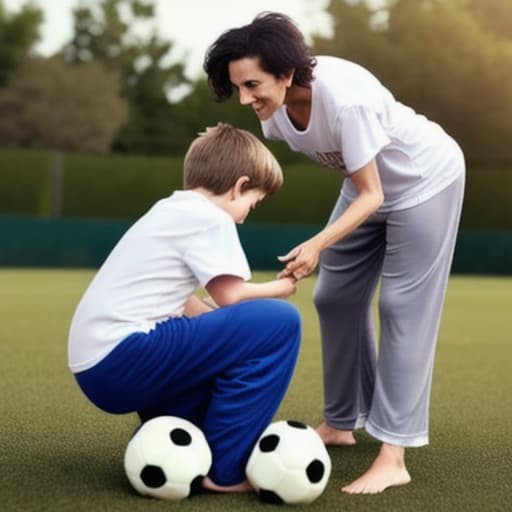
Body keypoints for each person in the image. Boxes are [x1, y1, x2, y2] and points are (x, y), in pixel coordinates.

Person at [204, 12, 465, 494]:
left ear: (286, 74)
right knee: (334, 296)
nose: (246, 98)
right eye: (238, 87)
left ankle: (394, 454)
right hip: (365, 187)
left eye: (253, 85)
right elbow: (356, 181)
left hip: (425, 181)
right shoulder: (274, 114)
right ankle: (343, 422)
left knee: (401, 307)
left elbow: (374, 194)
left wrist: (317, 244)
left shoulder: (347, 101)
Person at [67, 122, 301, 493]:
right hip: (127, 353)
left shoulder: (169, 210)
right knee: (281, 323)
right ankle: (226, 472)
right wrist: (281, 287)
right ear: (239, 186)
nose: (244, 216)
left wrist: (231, 334)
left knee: (227, 339)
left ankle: (178, 445)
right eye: (251, 204)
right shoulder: (212, 218)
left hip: (97, 368)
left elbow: (187, 303)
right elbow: (230, 297)